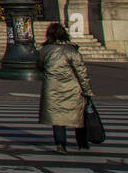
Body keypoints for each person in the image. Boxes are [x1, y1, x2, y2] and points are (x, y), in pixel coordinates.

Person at [39, 22, 94, 153]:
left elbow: (39, 67)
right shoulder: (72, 50)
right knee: (79, 116)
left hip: (52, 88)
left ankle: (60, 144)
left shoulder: (45, 51)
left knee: (57, 117)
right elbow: (82, 73)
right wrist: (87, 90)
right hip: (73, 88)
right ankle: (82, 143)